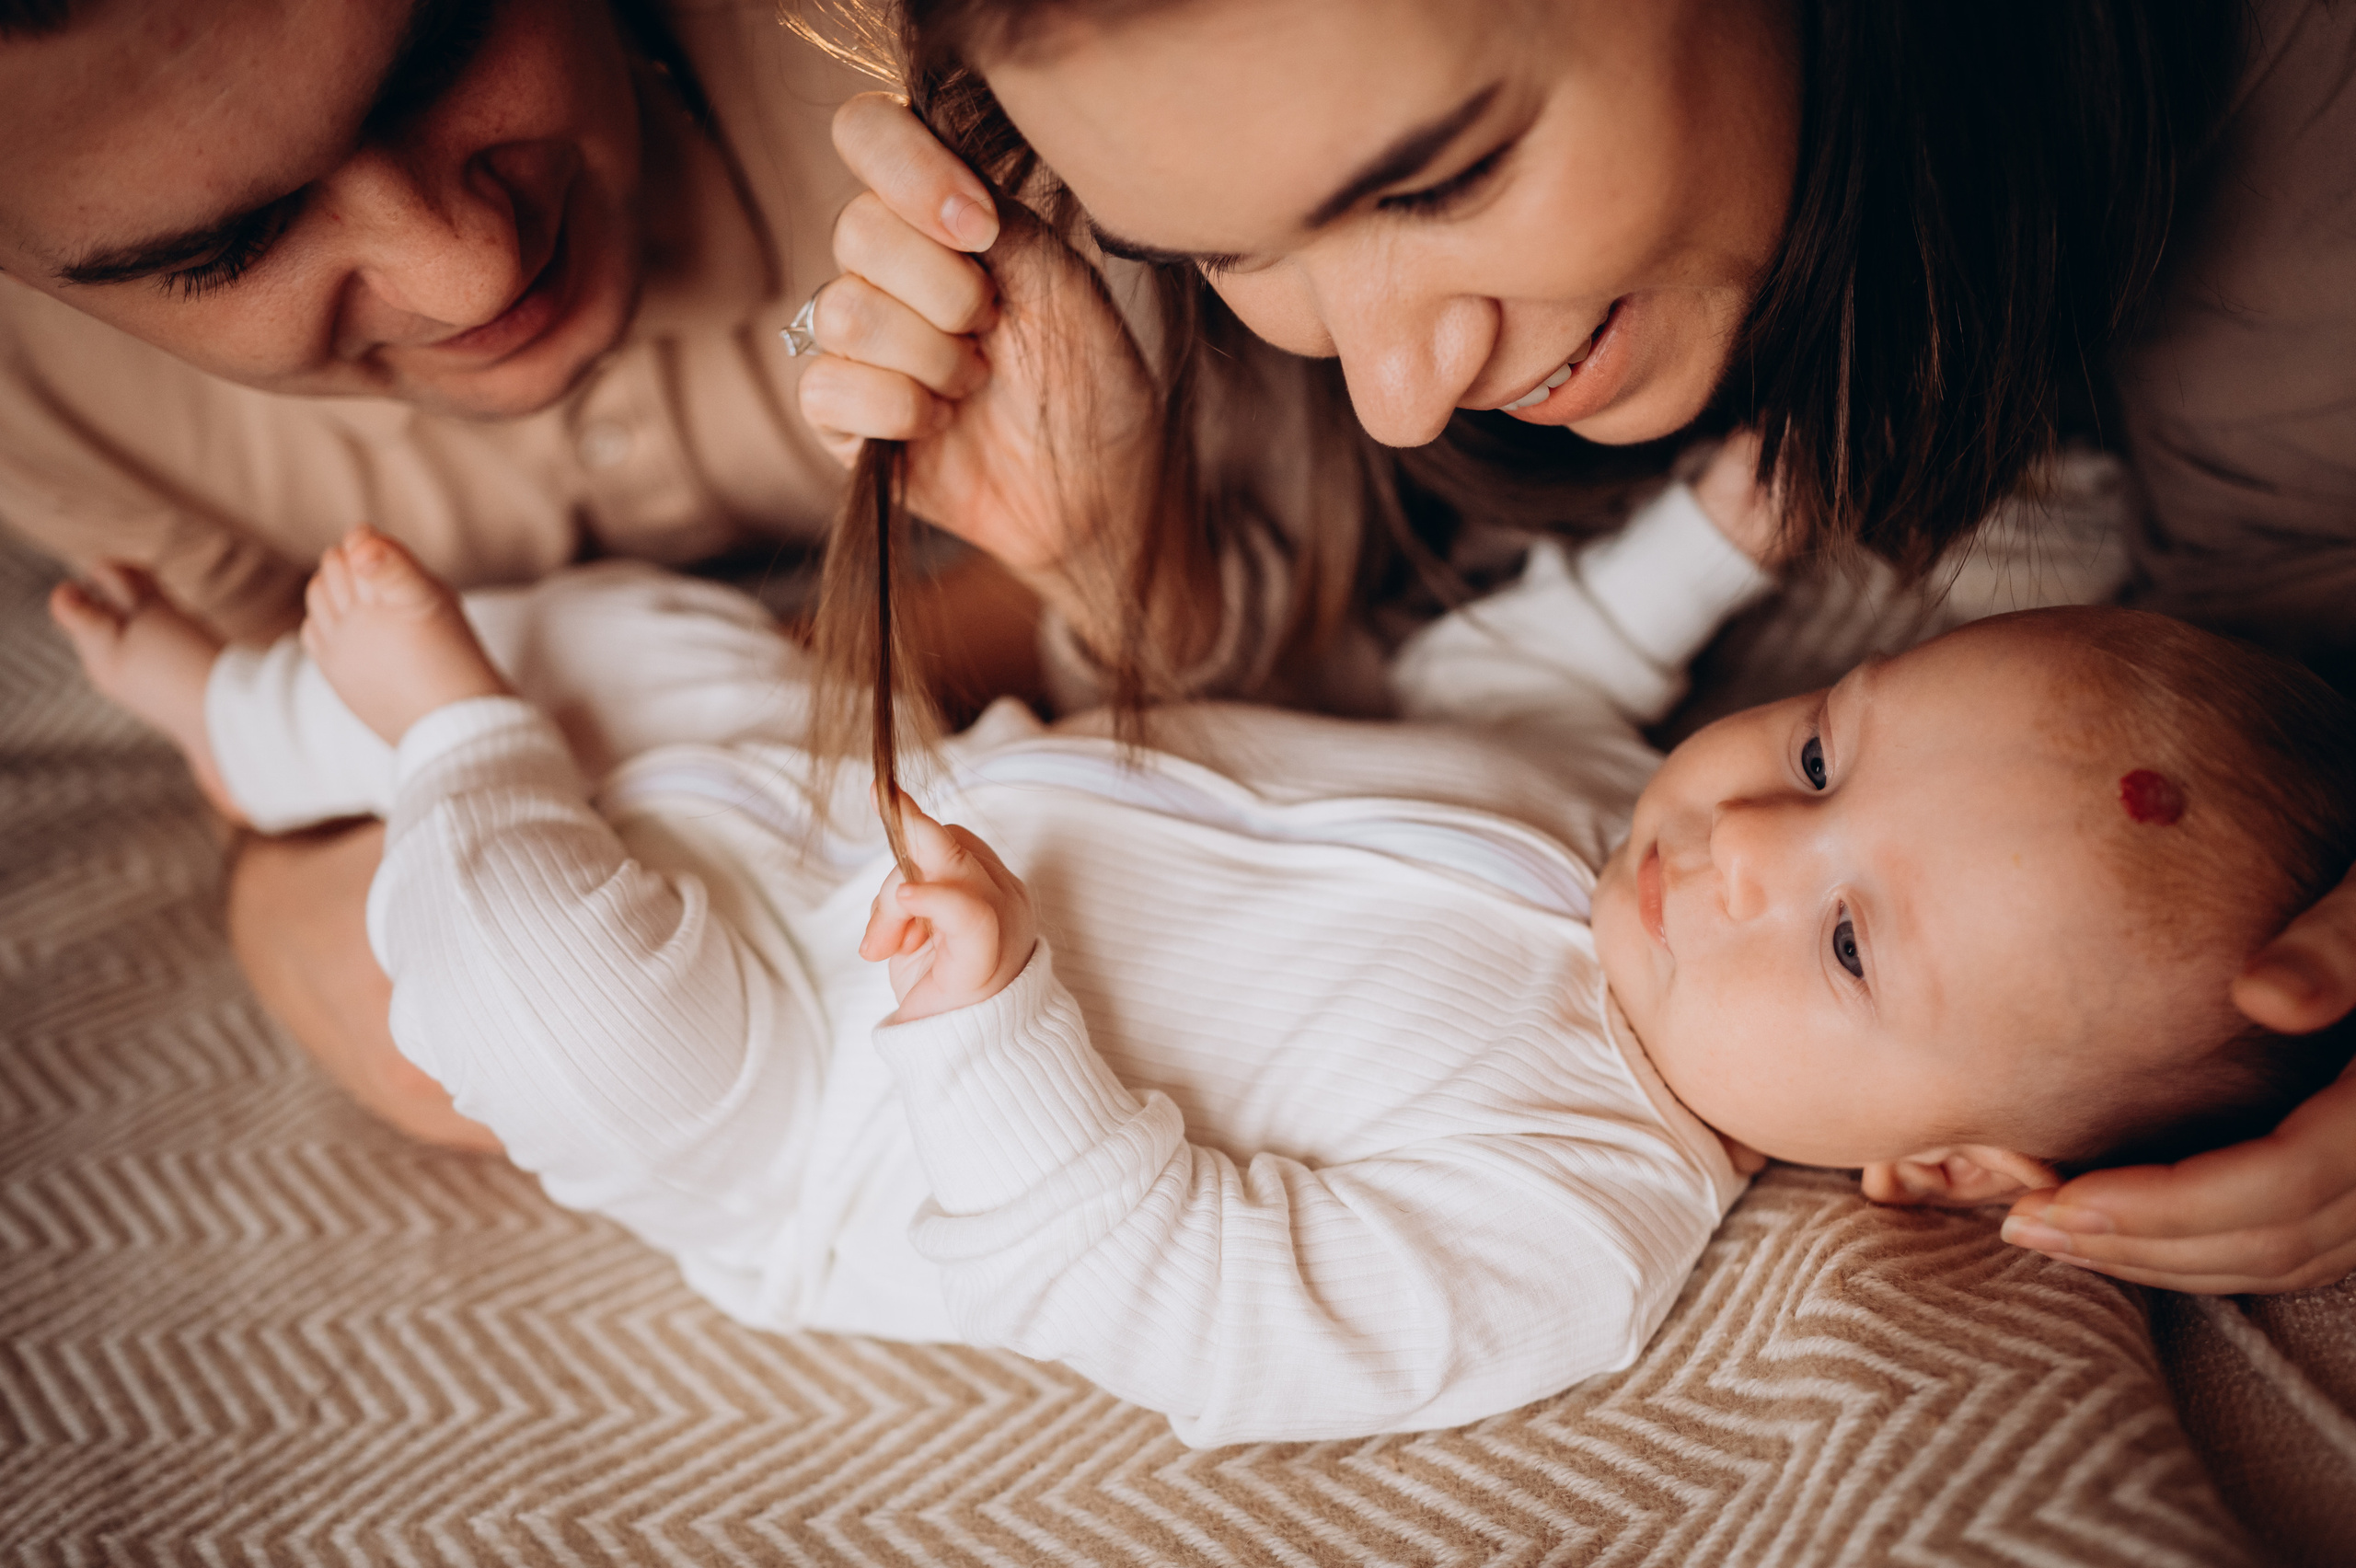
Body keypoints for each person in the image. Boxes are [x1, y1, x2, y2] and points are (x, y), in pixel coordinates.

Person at [46, 489, 2356, 1446]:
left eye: (1846, 938)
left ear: (1938, 1168)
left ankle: (437, 742)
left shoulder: (1570, 1215)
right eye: (1821, 746)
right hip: (864, 781)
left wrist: (996, 1024)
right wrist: (1686, 553)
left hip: (816, 1092)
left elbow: (1205, 1313)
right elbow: (1499, 690)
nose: (1740, 842)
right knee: (647, 639)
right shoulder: (1610, 825)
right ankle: (250, 720)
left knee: (553, 1004)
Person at [792, 0, 2356, 1292]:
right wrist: (1110, 562)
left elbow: (2274, 639)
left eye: (1442, 179)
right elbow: (1344, 713)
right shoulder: (1096, 173)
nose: (1396, 391)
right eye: (1226, 254)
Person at [0, 0, 1036, 1147]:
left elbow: (1198, 557)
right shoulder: (36, 395)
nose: (471, 272)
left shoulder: (943, 56)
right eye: (231, 247)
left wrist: (636, 709)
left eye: (442, 54)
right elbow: (278, 735)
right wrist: (279, 896)